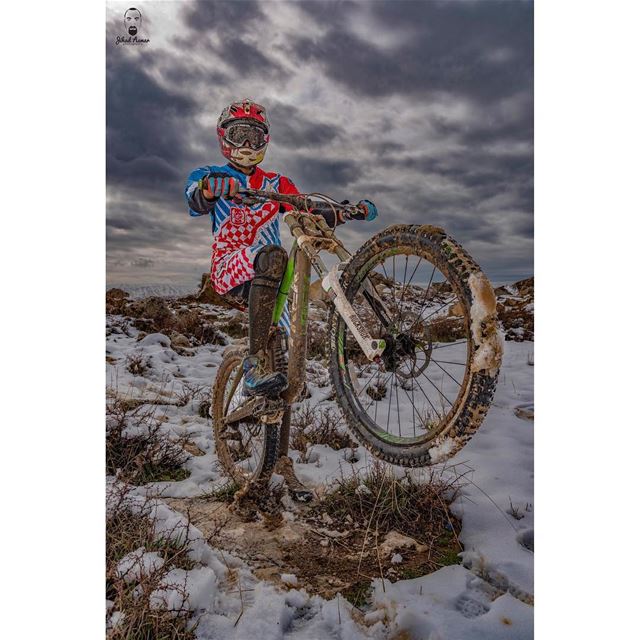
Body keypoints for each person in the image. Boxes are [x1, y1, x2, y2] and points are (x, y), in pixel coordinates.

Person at [185, 99, 377, 397]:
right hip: (230, 270)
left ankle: (263, 418)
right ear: (223, 137)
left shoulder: (276, 182)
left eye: (255, 136)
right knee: (274, 255)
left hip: (275, 282)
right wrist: (210, 187)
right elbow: (195, 197)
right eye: (239, 135)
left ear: (266, 140)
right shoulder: (208, 173)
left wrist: (343, 211)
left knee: (288, 357)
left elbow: (305, 207)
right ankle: (252, 366)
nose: (248, 143)